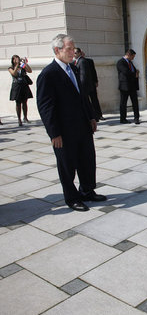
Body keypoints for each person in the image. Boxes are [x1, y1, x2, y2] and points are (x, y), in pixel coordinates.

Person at [37, 34, 106, 211]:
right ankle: (72, 197)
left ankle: (87, 191)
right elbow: (46, 108)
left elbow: (83, 97)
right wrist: (54, 134)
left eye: (73, 48)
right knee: (67, 166)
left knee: (87, 160)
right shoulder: (48, 75)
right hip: (64, 131)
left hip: (82, 126)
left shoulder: (73, 69)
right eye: (69, 49)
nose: (73, 52)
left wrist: (91, 117)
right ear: (57, 50)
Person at [73, 48, 103, 122]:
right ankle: (93, 116)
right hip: (85, 85)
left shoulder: (84, 61)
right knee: (87, 102)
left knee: (93, 100)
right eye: (74, 53)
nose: (74, 54)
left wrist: (95, 81)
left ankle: (97, 115)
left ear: (81, 53)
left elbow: (86, 74)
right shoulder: (74, 62)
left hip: (88, 85)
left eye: (76, 52)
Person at [8, 55, 33, 126]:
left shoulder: (22, 66)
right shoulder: (11, 68)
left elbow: (30, 71)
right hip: (16, 86)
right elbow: (14, 73)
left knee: (25, 102)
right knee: (18, 103)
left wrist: (25, 64)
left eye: (18, 59)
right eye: (15, 59)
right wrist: (16, 66)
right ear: (13, 60)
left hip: (24, 85)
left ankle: (25, 117)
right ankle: (19, 119)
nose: (17, 60)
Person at [117, 49, 140, 124]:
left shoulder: (130, 62)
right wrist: (134, 74)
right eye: (132, 56)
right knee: (123, 103)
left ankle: (136, 118)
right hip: (125, 86)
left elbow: (132, 71)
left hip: (132, 85)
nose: (133, 58)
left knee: (135, 102)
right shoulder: (120, 62)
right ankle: (123, 118)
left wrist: (136, 72)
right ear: (129, 55)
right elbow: (125, 72)